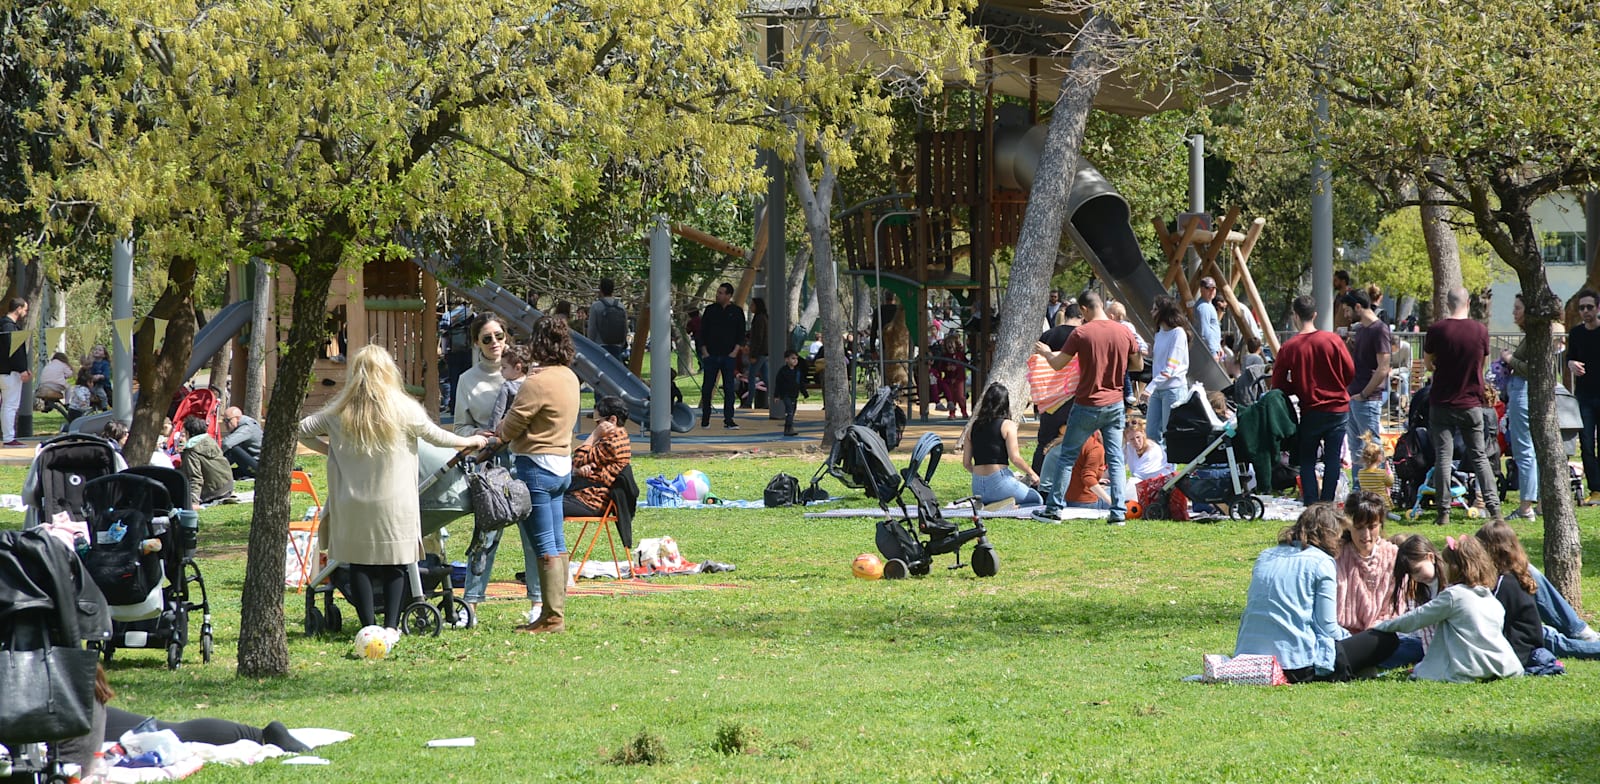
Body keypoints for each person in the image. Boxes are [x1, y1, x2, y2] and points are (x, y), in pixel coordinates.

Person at [298, 345, 487, 638]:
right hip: (395, 503)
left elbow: (301, 430)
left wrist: (330, 451)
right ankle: (391, 627)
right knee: (396, 563)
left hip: (351, 503)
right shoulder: (404, 409)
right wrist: (470, 441)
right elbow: (437, 437)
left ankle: (368, 626)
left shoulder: (338, 411)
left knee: (358, 564)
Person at [1234, 504, 1399, 683]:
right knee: (1385, 639)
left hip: (1249, 657)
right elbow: (1327, 627)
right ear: (1330, 534)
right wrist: (1353, 640)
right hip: (1297, 664)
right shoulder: (1322, 562)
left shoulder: (1265, 556)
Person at [497, 315, 581, 633]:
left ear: (538, 343)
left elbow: (511, 425)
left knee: (543, 544)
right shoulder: (570, 377)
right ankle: (554, 611)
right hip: (561, 464)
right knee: (557, 541)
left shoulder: (537, 382)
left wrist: (498, 431)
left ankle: (552, 617)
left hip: (536, 467)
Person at [1031, 290, 1143, 525]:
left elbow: (1058, 364)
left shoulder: (1081, 333)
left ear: (1083, 309)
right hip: (1114, 403)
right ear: (1101, 304)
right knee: (1115, 459)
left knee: (1067, 457)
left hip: (1086, 404)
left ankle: (1054, 510)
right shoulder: (1124, 331)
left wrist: (1047, 353)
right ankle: (1118, 513)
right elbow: (1138, 365)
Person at [1372, 534, 1523, 682]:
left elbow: (1416, 618)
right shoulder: (1489, 598)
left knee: (1416, 666)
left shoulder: (1452, 595)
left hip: (1467, 665)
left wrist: (1381, 626)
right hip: (1505, 665)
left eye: (1446, 564)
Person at [1424, 286, 1501, 524]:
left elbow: (1428, 364)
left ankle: (1443, 512)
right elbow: (1482, 364)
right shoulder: (1480, 330)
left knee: (1443, 458)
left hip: (1442, 402)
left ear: (1448, 304)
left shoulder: (1437, 330)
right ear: (1468, 303)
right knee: (1480, 457)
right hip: (1471, 402)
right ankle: (1494, 509)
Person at [1271, 294, 1353, 504]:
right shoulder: (1333, 340)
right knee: (1333, 457)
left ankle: (1310, 500)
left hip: (1311, 408)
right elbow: (1350, 370)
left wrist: (1298, 387)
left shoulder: (1289, 347)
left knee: (1307, 459)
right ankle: (1327, 501)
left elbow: (1278, 382)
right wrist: (1338, 384)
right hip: (1338, 407)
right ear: (1315, 314)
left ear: (1295, 315)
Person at [1502, 294, 1548, 520]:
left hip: (1523, 393)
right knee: (1532, 449)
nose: (1514, 312)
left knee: (1524, 449)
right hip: (1524, 392)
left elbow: (1532, 370)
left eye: (1517, 308)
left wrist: (1509, 359)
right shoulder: (1532, 336)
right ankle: (1539, 503)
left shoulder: (1535, 338)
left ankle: (1526, 506)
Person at [962, 383, 1041, 507]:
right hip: (1000, 481)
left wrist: (981, 476)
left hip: (977, 487)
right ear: (1005, 403)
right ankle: (1011, 507)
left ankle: (994, 505)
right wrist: (1032, 474)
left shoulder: (972, 427)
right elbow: (1015, 458)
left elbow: (966, 463)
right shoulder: (1008, 425)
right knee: (1036, 499)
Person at [1343, 289, 1391, 485]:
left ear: (1358, 307)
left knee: (1371, 447)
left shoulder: (1379, 329)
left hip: (1367, 398)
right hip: (1354, 395)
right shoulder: (1361, 330)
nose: (1346, 315)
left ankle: (1375, 491)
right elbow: (1359, 361)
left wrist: (1364, 394)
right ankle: (1358, 490)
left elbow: (1383, 367)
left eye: (1347, 310)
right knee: (1356, 448)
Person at [1335, 491, 1398, 635]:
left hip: (1380, 633)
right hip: (1341, 634)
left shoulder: (1393, 556)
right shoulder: (1337, 555)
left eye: (1371, 527)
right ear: (1348, 525)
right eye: (1359, 527)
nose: (1366, 535)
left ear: (1380, 524)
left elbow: (1395, 607)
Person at [1030, 305, 1082, 476]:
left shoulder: (1048, 335)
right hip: (1072, 396)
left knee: (1045, 441)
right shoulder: (1081, 336)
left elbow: (1037, 364)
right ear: (1081, 316)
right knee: (1075, 441)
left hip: (1049, 398)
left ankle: (1037, 477)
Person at [1141, 295, 1189, 447]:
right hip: (1158, 390)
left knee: (1170, 434)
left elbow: (1170, 368)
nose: (1152, 312)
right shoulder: (1159, 333)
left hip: (1173, 390)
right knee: (1151, 433)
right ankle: (1157, 461)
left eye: (1155, 309)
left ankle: (1171, 462)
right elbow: (1160, 360)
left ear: (1164, 312)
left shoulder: (1178, 333)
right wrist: (1149, 352)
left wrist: (1149, 388)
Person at [1568, 288, 1600, 505]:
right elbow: (1570, 358)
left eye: (1589, 307)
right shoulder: (1576, 333)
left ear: (1598, 308)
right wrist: (1571, 364)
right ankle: (1595, 489)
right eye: (1582, 308)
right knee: (1586, 443)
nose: (1585, 311)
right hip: (1584, 396)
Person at [698, 282, 746, 430]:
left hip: (728, 356)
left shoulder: (736, 311)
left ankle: (729, 419)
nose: (717, 295)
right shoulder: (710, 310)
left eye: (721, 293)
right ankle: (705, 419)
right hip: (711, 355)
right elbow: (702, 332)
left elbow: (741, 333)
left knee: (729, 388)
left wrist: (734, 352)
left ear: (728, 295)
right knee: (707, 388)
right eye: (717, 292)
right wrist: (705, 352)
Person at [178, 416, 236, 508]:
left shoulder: (191, 450)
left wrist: (193, 502)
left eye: (183, 434)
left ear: (188, 433)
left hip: (213, 492)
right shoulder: (210, 441)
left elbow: (195, 477)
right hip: (227, 486)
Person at [0, 297, 31, 445]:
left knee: (7, 405)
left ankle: (8, 436)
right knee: (10, 405)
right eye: (25, 309)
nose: (26, 312)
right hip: (9, 372)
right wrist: (22, 369)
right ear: (18, 309)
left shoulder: (3, 325)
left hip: (4, 370)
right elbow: (13, 350)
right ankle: (9, 437)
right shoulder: (9, 327)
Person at [588, 277, 630, 363]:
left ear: (601, 290)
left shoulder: (595, 306)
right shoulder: (621, 306)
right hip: (617, 346)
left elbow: (592, 329)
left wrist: (591, 345)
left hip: (600, 346)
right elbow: (625, 328)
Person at [219, 406, 262, 480]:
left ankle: (214, 468)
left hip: (258, 468)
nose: (225, 424)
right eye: (224, 420)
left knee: (233, 449)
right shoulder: (240, 427)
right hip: (250, 464)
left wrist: (215, 454)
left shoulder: (247, 427)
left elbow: (227, 443)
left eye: (228, 420)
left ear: (238, 418)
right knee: (226, 474)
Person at [774, 349, 808, 437]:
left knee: (792, 411)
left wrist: (804, 393)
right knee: (789, 411)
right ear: (786, 359)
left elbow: (800, 383)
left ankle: (789, 427)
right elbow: (778, 383)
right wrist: (776, 395)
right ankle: (788, 428)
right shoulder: (783, 371)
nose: (795, 360)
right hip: (786, 394)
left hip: (794, 394)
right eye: (793, 358)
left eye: (796, 359)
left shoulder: (798, 371)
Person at [934, 333, 969, 418]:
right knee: (951, 396)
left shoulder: (960, 354)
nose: (950, 345)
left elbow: (965, 363)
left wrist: (957, 367)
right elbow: (941, 367)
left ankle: (964, 411)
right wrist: (947, 368)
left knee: (960, 396)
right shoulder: (945, 356)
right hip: (949, 378)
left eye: (951, 343)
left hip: (959, 379)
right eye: (948, 343)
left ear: (956, 344)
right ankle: (952, 412)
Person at [746, 297, 768, 408]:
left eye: (752, 305)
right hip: (764, 352)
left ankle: (749, 402)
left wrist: (753, 354)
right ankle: (772, 399)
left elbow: (758, 337)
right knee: (766, 377)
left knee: (751, 376)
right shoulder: (763, 318)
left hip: (759, 352)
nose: (750, 307)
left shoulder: (759, 319)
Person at [1192, 277, 1221, 362]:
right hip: (1207, 353)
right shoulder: (1203, 307)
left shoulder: (1209, 305)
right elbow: (1205, 333)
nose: (1212, 291)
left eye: (1214, 288)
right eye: (1208, 288)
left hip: (1210, 349)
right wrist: (1213, 352)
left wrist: (1218, 347)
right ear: (1201, 289)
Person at [1355, 433, 1391, 498]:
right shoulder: (1382, 473)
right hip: (1380, 500)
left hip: (1366, 499)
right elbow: (1390, 482)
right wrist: (1389, 471)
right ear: (1378, 457)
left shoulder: (1360, 472)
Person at [87, 344, 112, 410]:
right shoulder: (91, 363)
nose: (97, 351)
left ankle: (106, 409)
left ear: (104, 354)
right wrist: (90, 376)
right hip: (94, 384)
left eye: (100, 350)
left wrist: (100, 376)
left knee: (108, 398)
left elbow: (106, 375)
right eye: (95, 349)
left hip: (104, 385)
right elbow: (88, 372)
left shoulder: (105, 363)